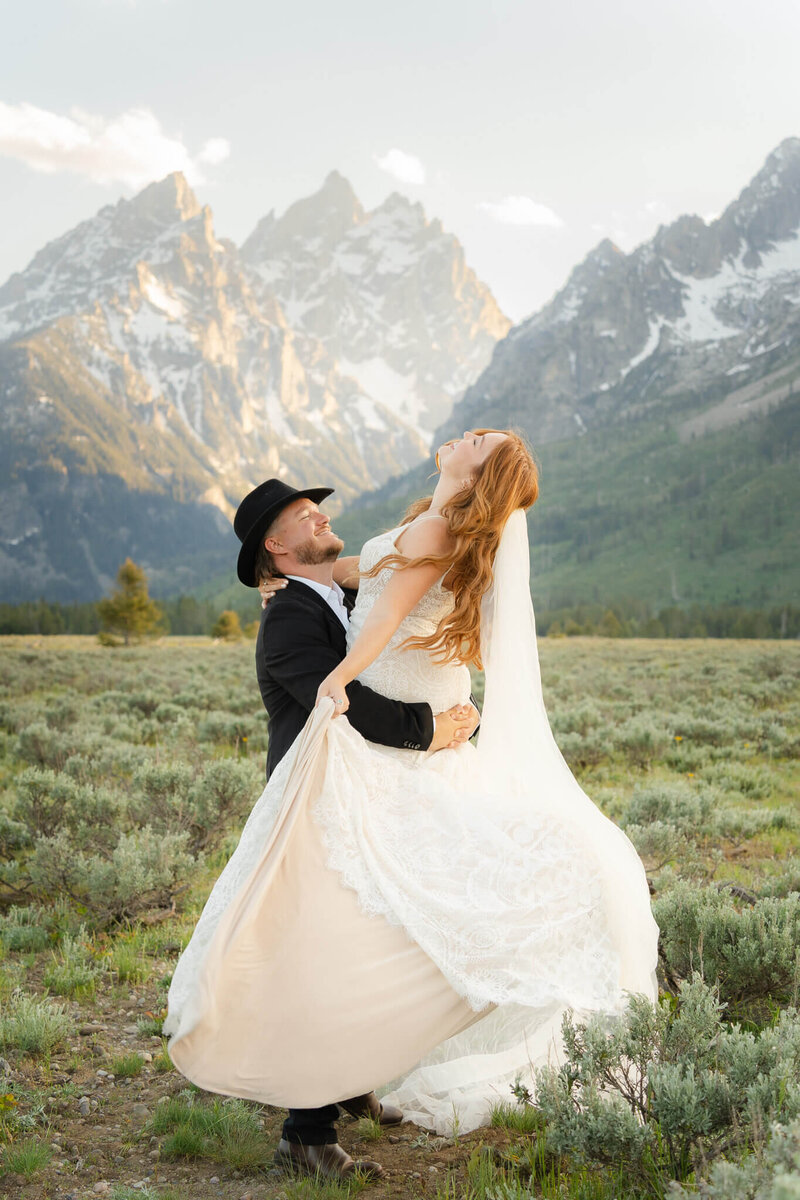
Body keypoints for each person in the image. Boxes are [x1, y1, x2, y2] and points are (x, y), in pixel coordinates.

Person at [164, 427, 660, 1179]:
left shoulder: (336, 585)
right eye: (304, 514)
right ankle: (305, 1127)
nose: (321, 515)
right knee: (324, 951)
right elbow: (353, 704)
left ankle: (354, 1080)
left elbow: (398, 587)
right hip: (321, 802)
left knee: (379, 932)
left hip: (378, 783)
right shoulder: (290, 619)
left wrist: (448, 706)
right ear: (276, 545)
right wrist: (434, 728)